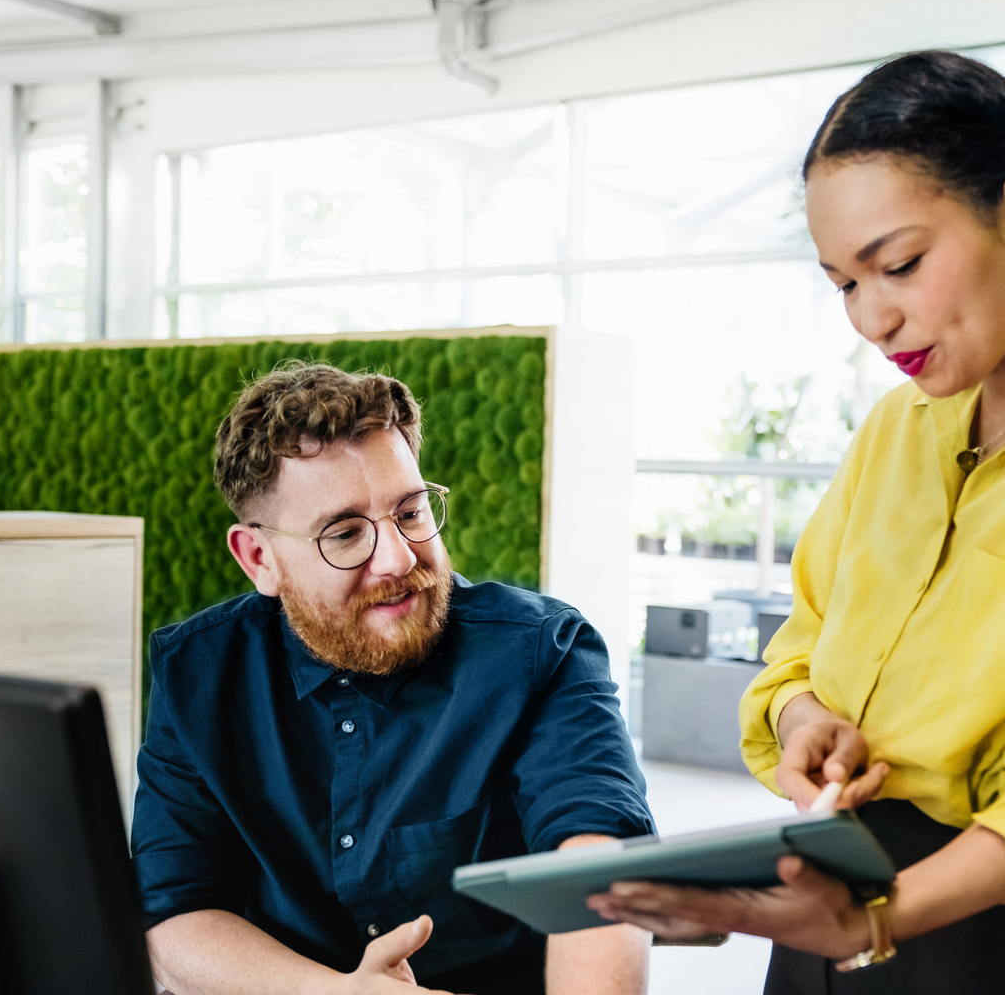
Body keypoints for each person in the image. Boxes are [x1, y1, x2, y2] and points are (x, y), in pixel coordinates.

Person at [585, 50, 1005, 994]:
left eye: (899, 264)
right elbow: (803, 644)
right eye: (844, 284)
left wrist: (877, 920)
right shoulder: (896, 428)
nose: (871, 317)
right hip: (831, 911)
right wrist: (805, 720)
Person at [133, 362, 654, 995]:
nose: (399, 558)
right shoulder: (201, 674)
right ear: (260, 558)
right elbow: (175, 910)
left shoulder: (541, 651)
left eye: (410, 513)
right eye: (346, 534)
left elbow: (600, 865)